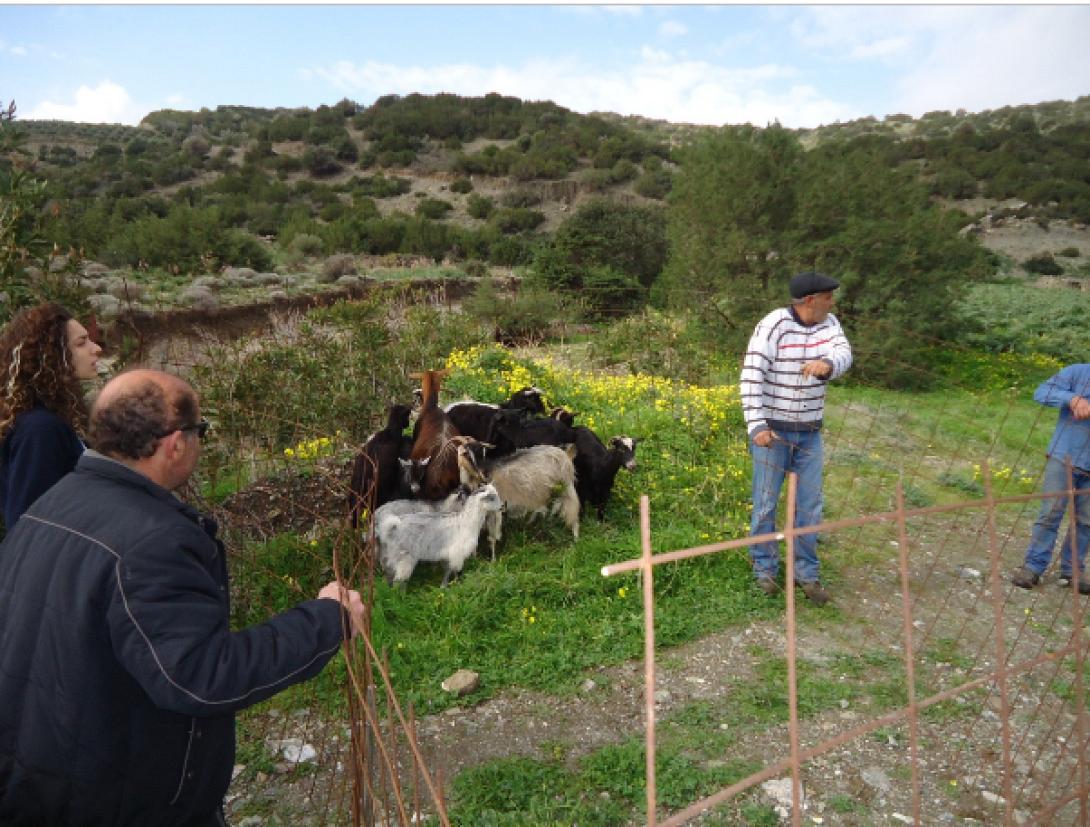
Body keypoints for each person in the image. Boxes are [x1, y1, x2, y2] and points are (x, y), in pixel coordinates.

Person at [0, 368, 366, 826]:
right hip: (115, 803)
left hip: (38, 780)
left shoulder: (51, 505)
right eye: (200, 432)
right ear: (175, 442)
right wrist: (328, 619)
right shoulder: (153, 542)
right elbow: (199, 675)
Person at [741, 271, 853, 606]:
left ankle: (806, 572)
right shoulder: (774, 325)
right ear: (809, 300)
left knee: (809, 506)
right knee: (765, 503)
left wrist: (829, 364)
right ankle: (764, 568)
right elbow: (751, 375)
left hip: (810, 433)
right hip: (773, 433)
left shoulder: (829, 324)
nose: (832, 302)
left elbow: (844, 352)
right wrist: (757, 425)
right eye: (827, 296)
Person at [0, 301, 103, 529]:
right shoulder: (39, 430)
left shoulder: (52, 418)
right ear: (51, 354)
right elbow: (28, 523)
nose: (96, 348)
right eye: (81, 343)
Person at [1011, 364, 1090, 594]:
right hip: (1063, 456)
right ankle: (1033, 568)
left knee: (1086, 521)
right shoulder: (1077, 372)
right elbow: (1041, 392)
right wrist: (1072, 399)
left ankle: (1072, 571)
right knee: (1050, 513)